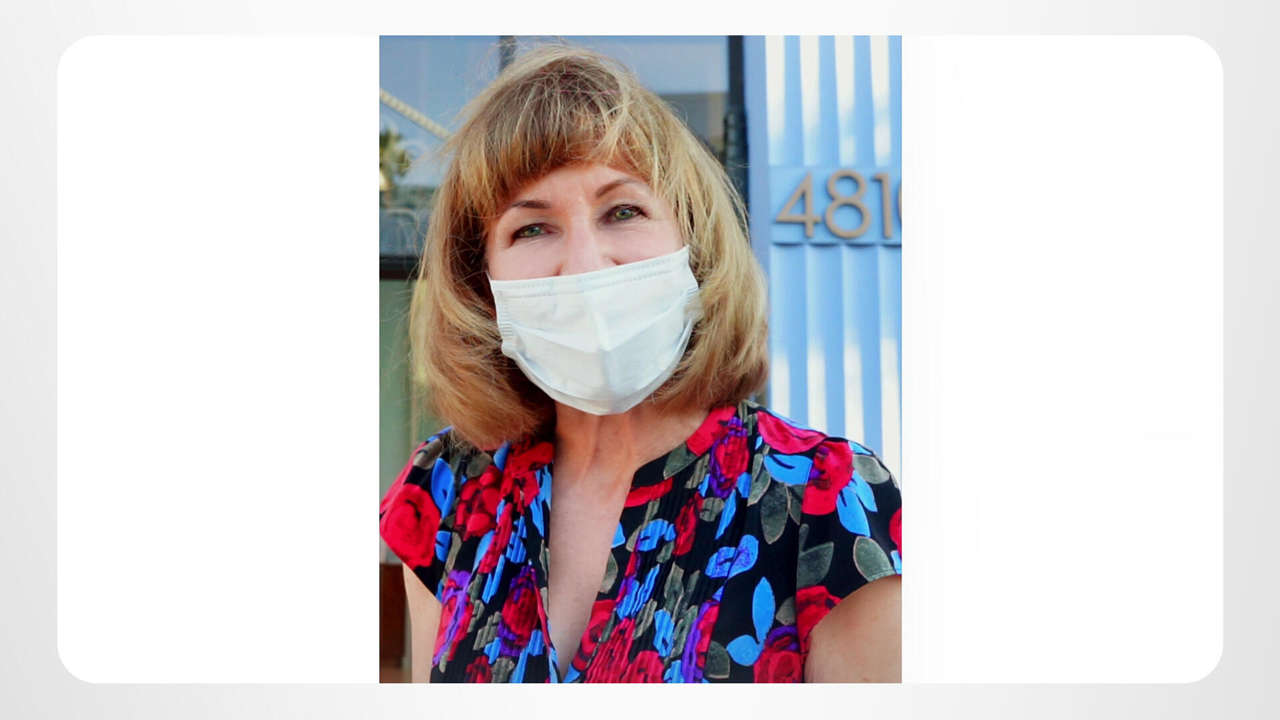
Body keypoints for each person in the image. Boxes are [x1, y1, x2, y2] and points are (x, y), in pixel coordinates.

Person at [379, 44, 902, 684]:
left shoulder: (829, 498)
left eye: (623, 211)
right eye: (531, 229)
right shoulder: (445, 488)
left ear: (693, 244)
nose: (586, 264)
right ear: (480, 282)